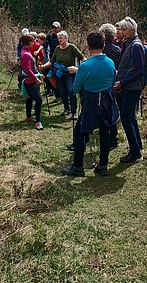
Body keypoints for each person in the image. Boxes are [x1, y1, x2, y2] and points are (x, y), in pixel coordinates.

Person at [62, 31, 118, 177]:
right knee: (105, 131)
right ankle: (103, 165)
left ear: (88, 46)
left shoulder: (85, 66)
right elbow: (112, 82)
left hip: (91, 104)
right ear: (104, 45)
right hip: (106, 102)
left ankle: (78, 167)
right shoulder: (110, 63)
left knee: (80, 133)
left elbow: (75, 88)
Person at [114, 17, 145, 163]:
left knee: (126, 118)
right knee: (130, 117)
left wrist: (123, 81)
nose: (122, 32)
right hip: (127, 85)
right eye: (121, 29)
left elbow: (140, 70)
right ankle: (137, 146)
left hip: (132, 87)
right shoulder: (128, 43)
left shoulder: (136, 46)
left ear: (133, 30)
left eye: (124, 29)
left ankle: (135, 154)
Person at [41, 30, 86, 118]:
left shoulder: (71, 47)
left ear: (66, 38)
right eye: (58, 38)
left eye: (61, 38)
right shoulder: (57, 49)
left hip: (70, 73)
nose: (59, 40)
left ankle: (74, 111)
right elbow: (52, 61)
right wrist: (44, 66)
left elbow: (82, 57)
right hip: (60, 74)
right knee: (62, 92)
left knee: (71, 91)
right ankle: (67, 108)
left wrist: (85, 66)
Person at [99, 23, 122, 149]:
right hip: (115, 82)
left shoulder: (100, 51)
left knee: (102, 109)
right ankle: (113, 137)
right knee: (112, 109)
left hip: (103, 84)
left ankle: (104, 133)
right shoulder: (118, 50)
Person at [20, 34, 44, 130]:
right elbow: (27, 70)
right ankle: (38, 122)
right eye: (33, 41)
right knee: (39, 100)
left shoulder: (25, 51)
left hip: (30, 80)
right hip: (30, 82)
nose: (34, 43)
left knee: (29, 98)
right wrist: (36, 78)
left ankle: (29, 116)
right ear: (29, 42)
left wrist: (38, 74)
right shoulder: (26, 54)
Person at [42, 22, 62, 99]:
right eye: (53, 27)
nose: (54, 29)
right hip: (53, 60)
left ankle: (60, 95)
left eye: (55, 28)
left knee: (59, 78)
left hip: (61, 60)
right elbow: (44, 45)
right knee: (51, 76)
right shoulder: (50, 37)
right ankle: (56, 93)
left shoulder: (62, 36)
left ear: (59, 28)